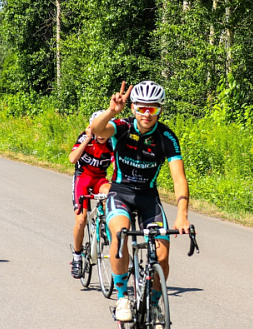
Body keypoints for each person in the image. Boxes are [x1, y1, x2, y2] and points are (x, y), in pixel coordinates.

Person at [90, 81, 190, 323]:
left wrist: (182, 214)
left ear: (160, 110)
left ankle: (155, 304)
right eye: (142, 108)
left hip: (148, 197)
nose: (147, 114)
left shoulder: (166, 137)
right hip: (120, 194)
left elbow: (179, 178)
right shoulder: (121, 126)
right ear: (133, 107)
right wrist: (112, 111)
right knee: (120, 233)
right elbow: (96, 130)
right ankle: (123, 296)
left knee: (163, 255)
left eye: (153, 109)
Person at [67, 110, 114, 279]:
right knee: (80, 219)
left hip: (100, 180)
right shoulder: (85, 138)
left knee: (111, 193)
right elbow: (72, 159)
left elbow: (118, 168)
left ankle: (104, 224)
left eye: (104, 131)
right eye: (97, 131)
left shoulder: (112, 144)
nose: (101, 135)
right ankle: (77, 256)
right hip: (83, 179)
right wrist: (87, 139)